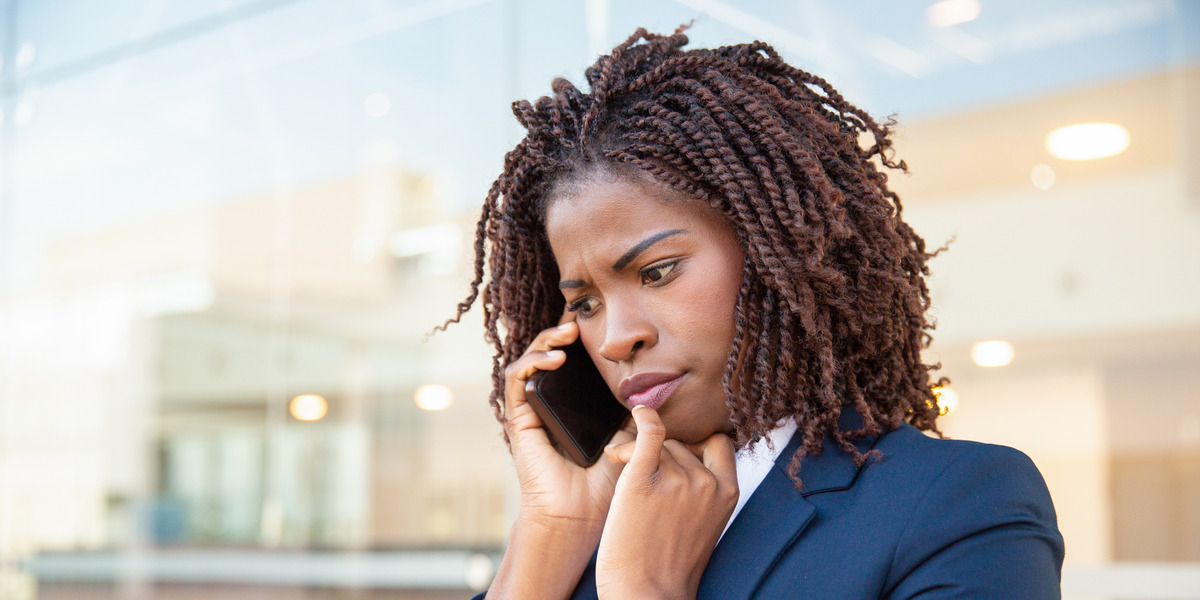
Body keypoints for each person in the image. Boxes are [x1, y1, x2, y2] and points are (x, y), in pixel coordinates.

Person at [442, 25, 1065, 600]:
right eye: (584, 304)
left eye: (657, 272)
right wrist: (548, 538)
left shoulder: (961, 505)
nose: (614, 338)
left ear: (779, 254)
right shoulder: (580, 532)